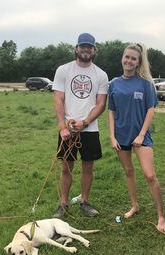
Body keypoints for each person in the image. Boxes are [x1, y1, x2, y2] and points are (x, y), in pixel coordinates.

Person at [108, 43, 165, 232]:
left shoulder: (145, 84)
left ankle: (161, 216)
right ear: (122, 58)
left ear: (138, 62)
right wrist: (112, 136)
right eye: (127, 57)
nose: (129, 61)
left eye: (134, 58)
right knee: (129, 172)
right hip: (121, 136)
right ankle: (134, 205)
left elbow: (151, 109)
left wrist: (141, 135)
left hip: (141, 137)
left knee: (149, 175)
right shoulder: (114, 84)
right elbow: (111, 111)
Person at [52, 33, 109, 218]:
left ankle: (84, 202)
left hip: (90, 129)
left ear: (94, 50)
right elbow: (59, 98)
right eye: (82, 46)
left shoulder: (101, 74)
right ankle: (63, 204)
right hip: (67, 128)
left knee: (88, 167)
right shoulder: (63, 70)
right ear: (76, 48)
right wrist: (62, 127)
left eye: (89, 47)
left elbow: (101, 104)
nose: (86, 50)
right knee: (66, 168)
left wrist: (84, 123)